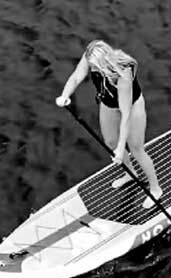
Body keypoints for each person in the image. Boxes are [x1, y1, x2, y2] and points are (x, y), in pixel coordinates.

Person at [55, 39, 162, 209]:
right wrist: (65, 95)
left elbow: (125, 114)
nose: (93, 70)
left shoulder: (123, 74)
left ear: (105, 62)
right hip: (108, 103)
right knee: (110, 142)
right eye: (92, 66)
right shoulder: (92, 53)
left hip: (131, 106)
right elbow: (76, 77)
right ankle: (131, 173)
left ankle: (155, 188)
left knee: (135, 148)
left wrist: (121, 148)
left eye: (96, 67)